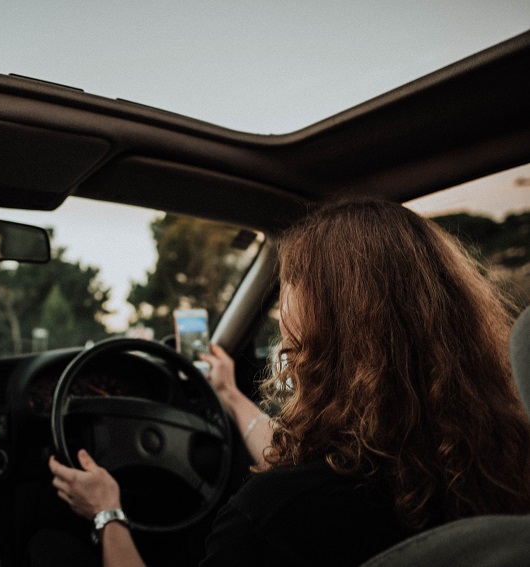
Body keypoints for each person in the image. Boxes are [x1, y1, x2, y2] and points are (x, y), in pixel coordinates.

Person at [47, 198, 530, 566]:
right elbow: (329, 463)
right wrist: (232, 397)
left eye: (290, 290)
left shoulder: (272, 518)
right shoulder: (499, 459)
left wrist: (107, 511)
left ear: (318, 337)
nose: (281, 315)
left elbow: (309, 484)